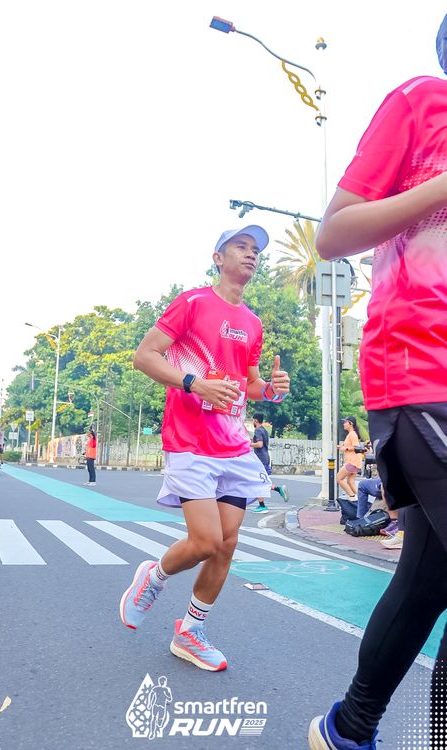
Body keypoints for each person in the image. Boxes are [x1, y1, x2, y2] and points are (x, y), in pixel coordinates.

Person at [309, 14, 447, 750]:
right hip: (424, 369)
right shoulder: (423, 101)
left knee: (429, 578)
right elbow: (334, 233)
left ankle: (347, 728)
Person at [119, 225, 290, 670]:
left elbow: (249, 384)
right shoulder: (193, 303)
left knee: (226, 544)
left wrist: (272, 391)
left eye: (256, 250)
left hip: (233, 445)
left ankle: (190, 632)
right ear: (218, 257)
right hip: (190, 441)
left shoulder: (253, 323)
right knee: (206, 540)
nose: (251, 255)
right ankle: (154, 576)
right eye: (241, 247)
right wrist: (195, 383)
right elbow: (145, 356)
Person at [250, 413, 289, 512]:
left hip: (260, 459)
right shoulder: (264, 430)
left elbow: (259, 444)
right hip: (264, 458)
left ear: (256, 420)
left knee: (258, 482)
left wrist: (249, 444)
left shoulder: (258, 430)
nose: (252, 422)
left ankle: (262, 505)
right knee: (262, 481)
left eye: (253, 420)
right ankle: (278, 490)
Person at [336, 416, 363, 501]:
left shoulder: (352, 434)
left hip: (352, 462)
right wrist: (341, 447)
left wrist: (345, 448)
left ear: (351, 423)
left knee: (339, 478)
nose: (344, 424)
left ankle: (352, 497)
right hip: (355, 462)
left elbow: (356, 447)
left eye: (345, 422)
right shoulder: (351, 434)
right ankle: (361, 499)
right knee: (350, 482)